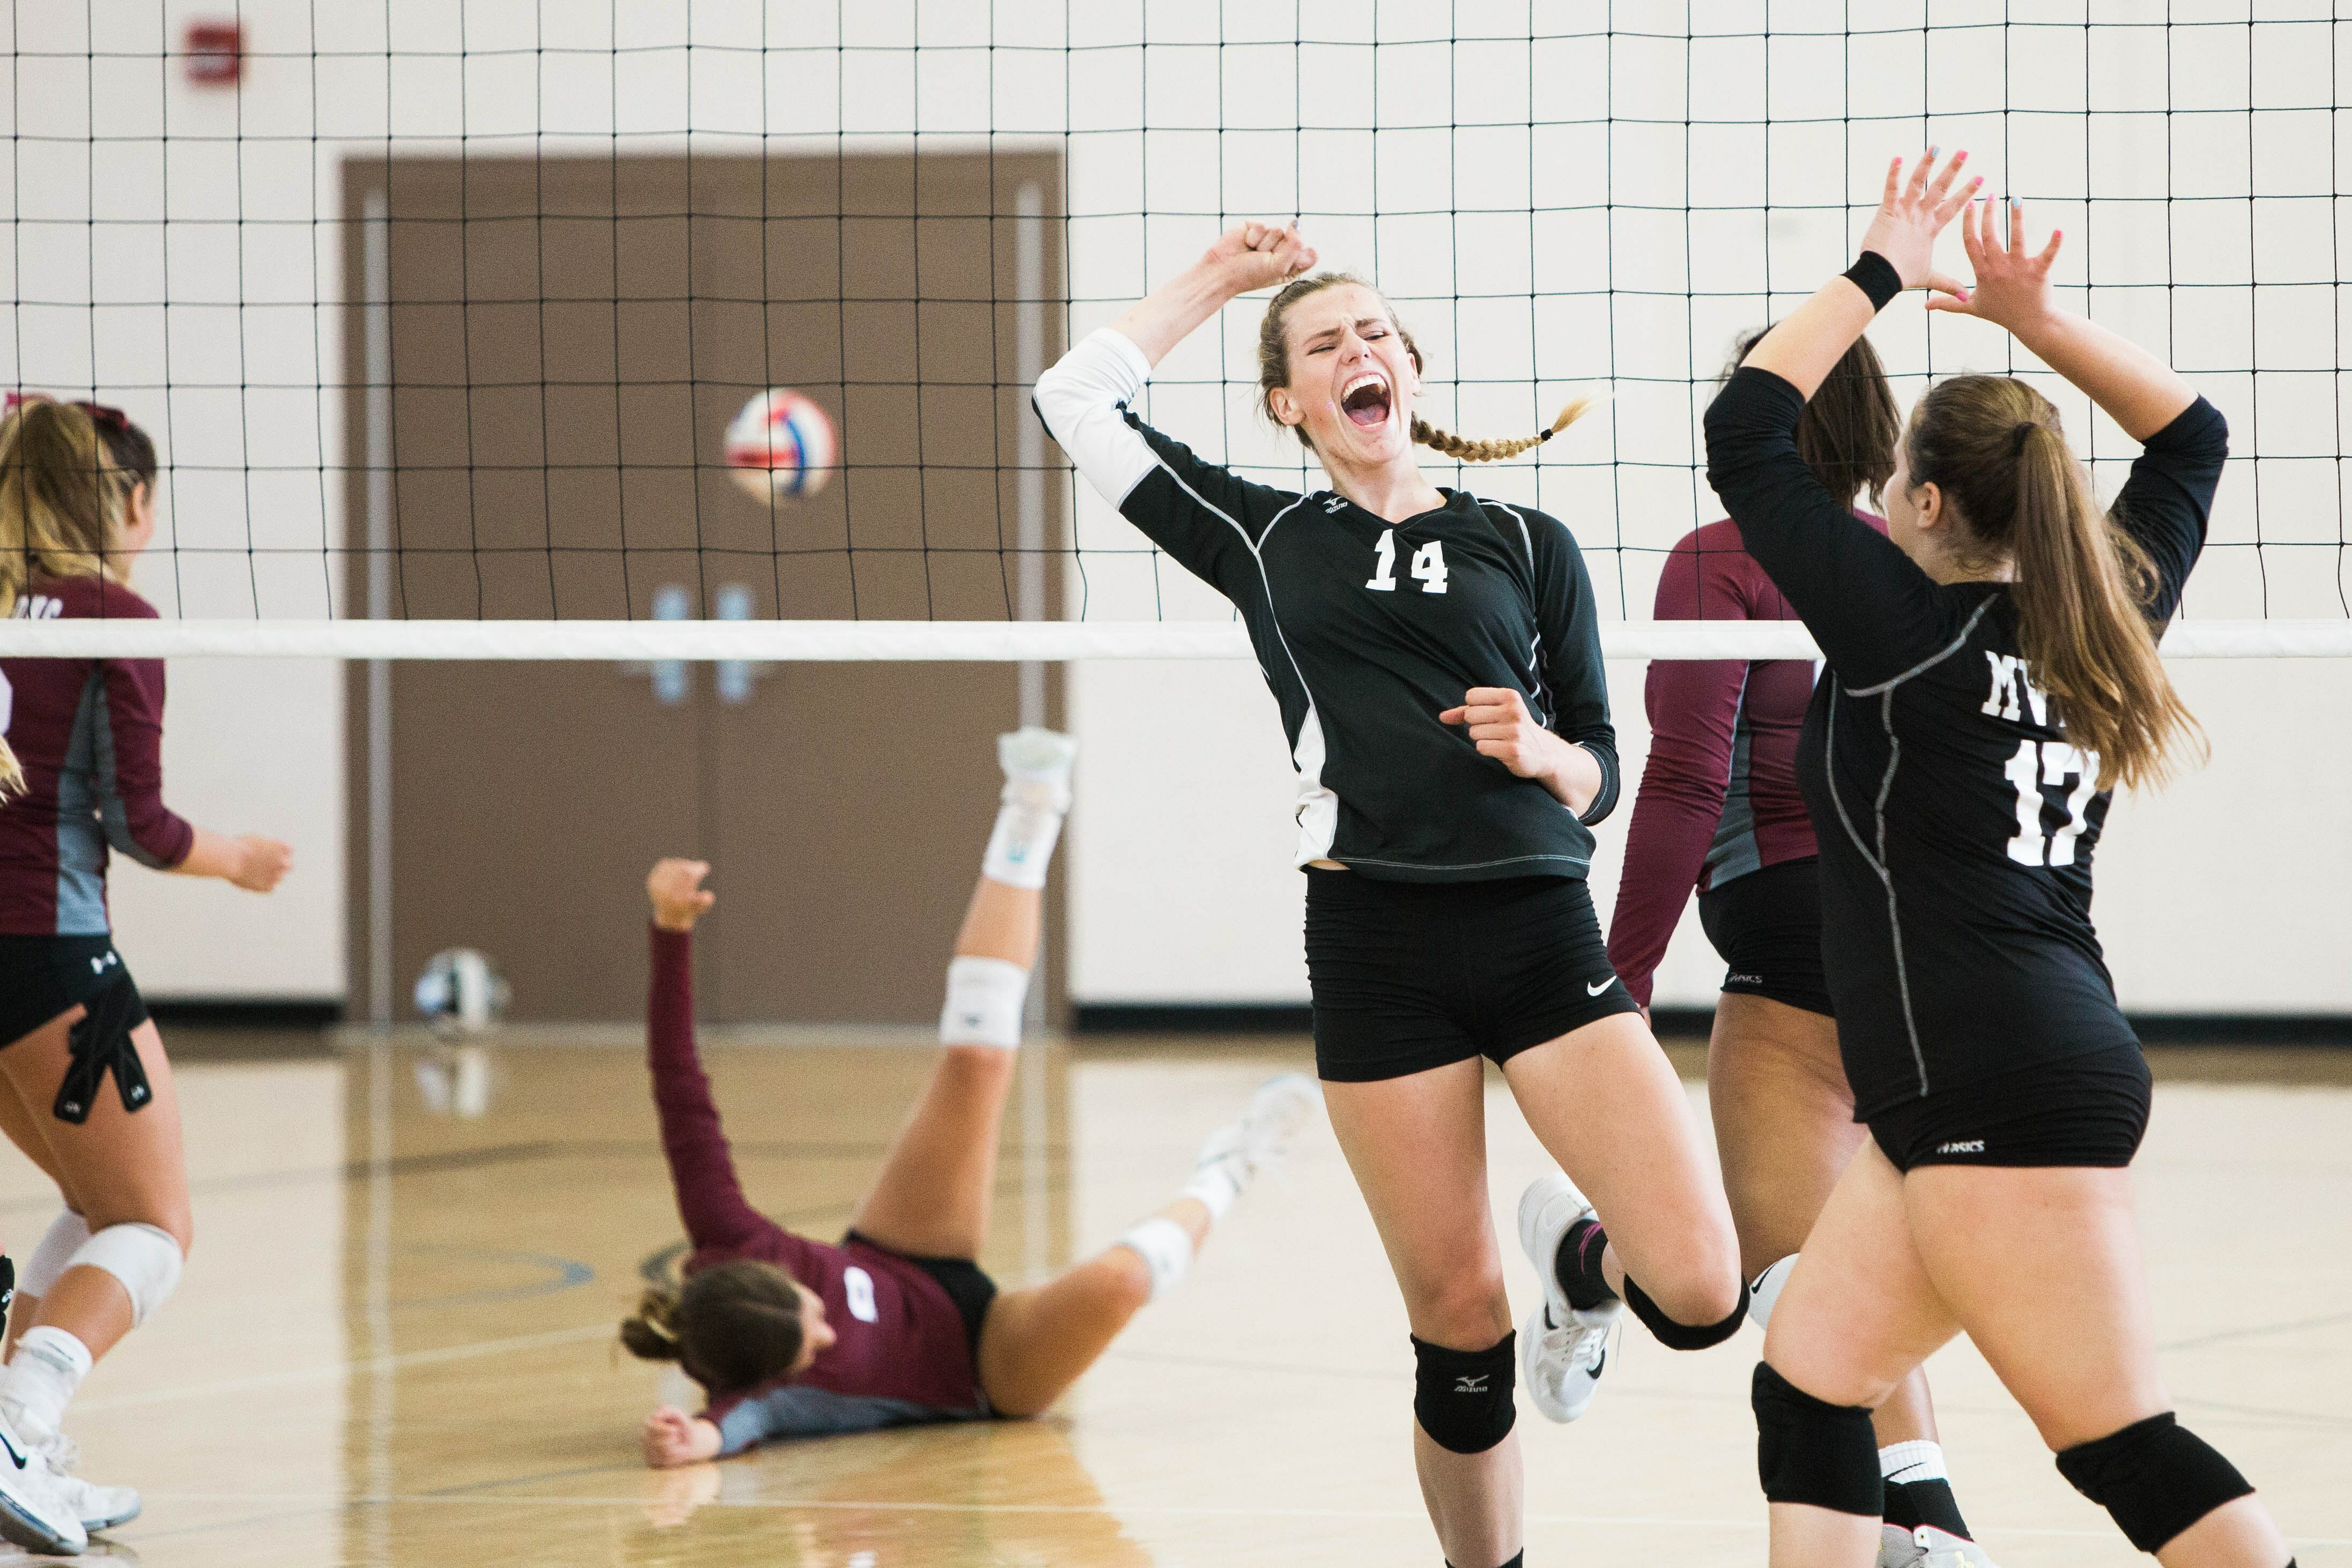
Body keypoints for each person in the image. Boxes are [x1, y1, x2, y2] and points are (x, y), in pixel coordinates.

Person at [1034, 224, 1745, 1568]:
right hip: (1376, 941)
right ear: (1287, 403)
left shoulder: (1528, 541)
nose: (1356, 351)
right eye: (1321, 344)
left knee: (1703, 1291)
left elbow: (1601, 772)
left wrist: (1545, 754)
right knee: (1457, 1319)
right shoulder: (1259, 534)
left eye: (1373, 333)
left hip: (1536, 926)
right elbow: (1073, 397)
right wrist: (1224, 282)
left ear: (1409, 371)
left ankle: (1577, 1264)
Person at [1705, 150, 2297, 1568]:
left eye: (1900, 473)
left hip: (1994, 1080)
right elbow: (2193, 439)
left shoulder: (1901, 634)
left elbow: (1745, 427)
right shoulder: (2105, 617)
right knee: (1809, 1386)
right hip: (1983, 1073)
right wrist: (2032, 324)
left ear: (1912, 504)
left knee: (2116, 1443)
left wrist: (1878, 272)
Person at [626, 729, 1317, 1464]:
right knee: (1118, 1281)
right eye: (813, 1347)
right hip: (984, 1366)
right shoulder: (766, 1396)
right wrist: (692, 1439)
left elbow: (679, 1086)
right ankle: (1230, 1168)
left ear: (763, 1274)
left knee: (977, 1059)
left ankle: (1033, 805)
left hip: (904, 1254)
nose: (828, 1332)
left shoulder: (726, 1229)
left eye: (813, 1314)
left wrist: (670, 932)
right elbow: (730, 1426)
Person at [1608, 336, 1995, 1568]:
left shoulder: (1724, 555)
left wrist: (1614, 985)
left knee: (1781, 1280)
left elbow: (1683, 776)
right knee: (1849, 1256)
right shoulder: (1916, 565)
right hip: (1926, 943)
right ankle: (1929, 1516)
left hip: (1789, 935)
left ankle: (1914, 1524)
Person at [0, 395, 293, 1553]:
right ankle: (20, 1421)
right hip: (52, 961)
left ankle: (19, 1436)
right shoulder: (111, 613)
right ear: (127, 501)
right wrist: (237, 861)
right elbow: (141, 821)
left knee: (96, 1203)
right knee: (156, 1225)